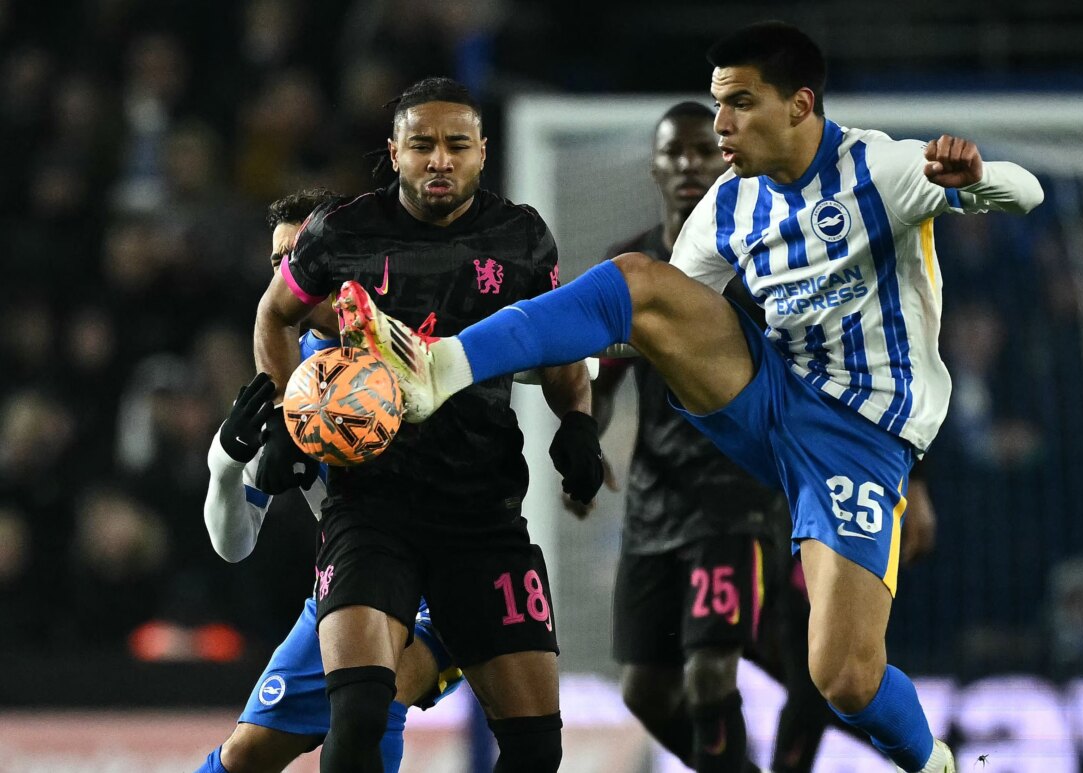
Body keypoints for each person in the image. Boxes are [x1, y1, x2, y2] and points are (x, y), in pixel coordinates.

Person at [341, 22, 1043, 773]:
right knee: (641, 280)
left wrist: (975, 180)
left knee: (844, 676)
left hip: (861, 440)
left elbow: (1025, 192)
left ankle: (933, 763)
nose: (722, 127)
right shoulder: (726, 208)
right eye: (718, 105)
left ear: (800, 105)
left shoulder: (884, 169)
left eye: (741, 104)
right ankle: (439, 365)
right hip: (766, 398)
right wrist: (509, 357)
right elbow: (645, 327)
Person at [253, 77, 603, 773]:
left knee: (537, 747)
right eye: (422, 145)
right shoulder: (341, 231)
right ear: (394, 152)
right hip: (373, 508)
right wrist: (280, 415)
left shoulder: (523, 238)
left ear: (481, 152)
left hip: (484, 513)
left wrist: (579, 422)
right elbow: (274, 313)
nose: (438, 160)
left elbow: (561, 345)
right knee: (353, 719)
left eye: (455, 145)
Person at [595, 102, 938, 773]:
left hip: (758, 497)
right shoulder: (629, 266)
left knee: (726, 672)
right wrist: (582, 433)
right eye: (676, 153)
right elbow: (598, 375)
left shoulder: (771, 261)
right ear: (655, 167)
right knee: (646, 690)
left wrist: (916, 477)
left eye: (705, 150)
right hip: (658, 502)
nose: (691, 165)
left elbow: (865, 359)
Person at [195, 189, 463, 773]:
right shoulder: (292, 384)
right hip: (350, 579)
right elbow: (233, 546)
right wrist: (225, 463)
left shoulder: (419, 335)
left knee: (373, 694)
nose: (288, 273)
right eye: (277, 262)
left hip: (449, 577)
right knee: (245, 757)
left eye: (301, 254)